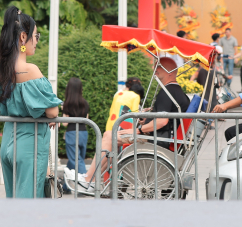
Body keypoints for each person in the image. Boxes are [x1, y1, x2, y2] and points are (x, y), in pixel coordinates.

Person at [67, 58, 190, 192]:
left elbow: (162, 121)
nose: (155, 73)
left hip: (158, 140)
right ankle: (91, 179)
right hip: (165, 138)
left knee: (109, 136)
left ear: (170, 72)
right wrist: (147, 117)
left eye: (158, 69)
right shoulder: (179, 93)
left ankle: (88, 180)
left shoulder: (167, 92)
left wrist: (140, 130)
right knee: (110, 135)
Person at [0, 7, 62, 198]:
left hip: (8, 142)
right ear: (23, 38)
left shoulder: (0, 71)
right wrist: (48, 114)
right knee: (29, 206)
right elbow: (52, 112)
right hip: (30, 144)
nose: (36, 41)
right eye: (36, 36)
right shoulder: (30, 70)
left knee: (14, 203)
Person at [61, 77, 90, 179]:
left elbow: (64, 123)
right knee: (76, 159)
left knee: (76, 160)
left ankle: (84, 183)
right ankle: (66, 187)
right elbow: (87, 119)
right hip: (83, 133)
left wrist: (63, 110)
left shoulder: (67, 104)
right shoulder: (85, 103)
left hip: (72, 133)